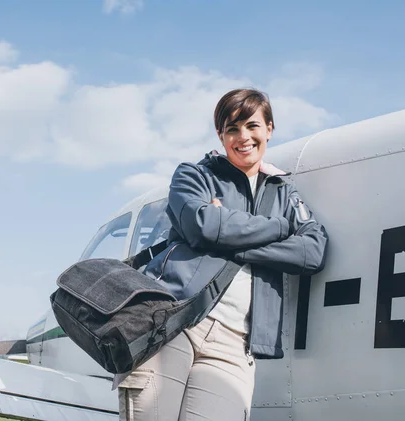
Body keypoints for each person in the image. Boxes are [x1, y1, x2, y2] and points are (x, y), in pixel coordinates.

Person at [114, 88, 329, 421]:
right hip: (171, 323)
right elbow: (202, 226)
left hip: (235, 342)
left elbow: (312, 252)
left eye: (252, 126)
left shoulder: (285, 192)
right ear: (221, 135)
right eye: (232, 129)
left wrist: (225, 233)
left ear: (269, 129)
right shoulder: (194, 175)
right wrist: (280, 228)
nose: (243, 137)